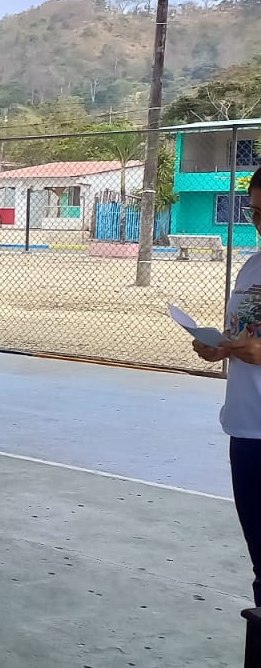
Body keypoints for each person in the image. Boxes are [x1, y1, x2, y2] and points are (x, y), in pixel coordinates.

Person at [192, 166, 261, 607]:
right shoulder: (252, 266)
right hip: (246, 428)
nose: (260, 223)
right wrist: (222, 346)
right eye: (256, 212)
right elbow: (244, 335)